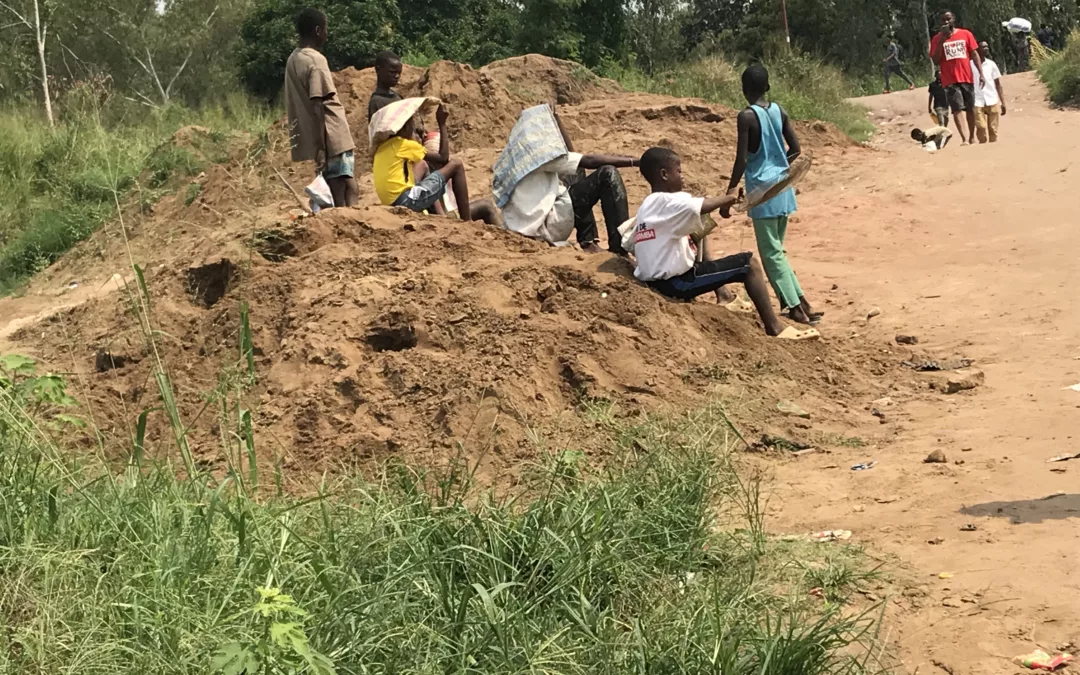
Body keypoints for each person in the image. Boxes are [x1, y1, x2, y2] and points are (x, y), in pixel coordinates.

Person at [632, 148, 819, 340]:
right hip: (676, 284)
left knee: (701, 225)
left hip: (653, 281)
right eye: (678, 171)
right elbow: (702, 205)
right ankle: (775, 328)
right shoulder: (670, 200)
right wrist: (730, 198)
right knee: (749, 264)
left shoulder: (647, 205)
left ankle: (724, 295)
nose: (683, 176)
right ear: (664, 174)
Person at [726, 63, 821, 326]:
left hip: (762, 193)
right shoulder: (780, 111)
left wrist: (731, 190)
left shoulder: (746, 117)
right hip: (783, 186)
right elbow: (796, 149)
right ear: (767, 87)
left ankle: (794, 308)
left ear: (744, 89)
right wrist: (779, 166)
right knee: (778, 250)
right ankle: (802, 301)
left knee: (770, 253)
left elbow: (742, 159)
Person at [500, 110, 637, 254]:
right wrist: (635, 161)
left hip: (521, 223)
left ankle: (588, 242)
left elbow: (574, 157)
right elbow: (588, 160)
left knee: (576, 170)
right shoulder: (538, 156)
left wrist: (556, 117)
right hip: (544, 228)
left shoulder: (514, 154)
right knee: (608, 174)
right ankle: (619, 249)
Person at [371, 99, 500, 224]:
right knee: (457, 165)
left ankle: (439, 215)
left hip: (393, 203)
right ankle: (467, 222)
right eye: (412, 126)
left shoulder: (383, 148)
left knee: (423, 165)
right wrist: (442, 123)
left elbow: (422, 165)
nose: (413, 130)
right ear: (404, 127)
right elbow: (443, 158)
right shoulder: (402, 144)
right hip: (406, 201)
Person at [284, 8, 359, 207]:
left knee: (348, 188)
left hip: (326, 139)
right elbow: (318, 106)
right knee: (342, 194)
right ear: (318, 31)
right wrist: (321, 147)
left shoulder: (294, 59)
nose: (327, 34)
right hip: (332, 137)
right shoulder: (316, 61)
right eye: (326, 29)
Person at [930, 10, 983, 146]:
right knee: (957, 109)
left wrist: (981, 73)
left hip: (966, 77)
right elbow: (935, 60)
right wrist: (941, 41)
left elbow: (974, 54)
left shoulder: (965, 34)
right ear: (940, 23)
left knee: (970, 109)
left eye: (948, 19)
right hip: (950, 80)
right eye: (943, 20)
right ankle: (964, 138)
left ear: (954, 19)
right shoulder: (936, 39)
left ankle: (972, 137)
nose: (946, 22)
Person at [971, 41, 1006, 143]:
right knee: (981, 127)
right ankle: (983, 146)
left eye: (987, 47)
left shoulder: (991, 64)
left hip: (992, 98)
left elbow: (998, 84)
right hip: (977, 100)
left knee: (993, 129)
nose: (986, 49)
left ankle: (993, 148)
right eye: (983, 47)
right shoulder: (969, 65)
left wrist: (1003, 102)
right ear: (977, 50)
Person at [368, 50, 404, 121]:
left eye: (399, 73)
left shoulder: (398, 97)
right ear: (378, 70)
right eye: (392, 72)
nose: (397, 76)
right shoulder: (377, 102)